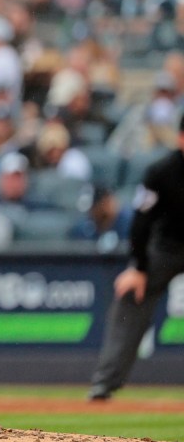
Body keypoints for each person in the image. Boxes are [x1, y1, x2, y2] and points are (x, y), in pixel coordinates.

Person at [87, 115, 184, 401]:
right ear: (180, 139)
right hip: (167, 248)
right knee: (131, 295)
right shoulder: (162, 171)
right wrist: (138, 268)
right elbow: (142, 220)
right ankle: (104, 383)